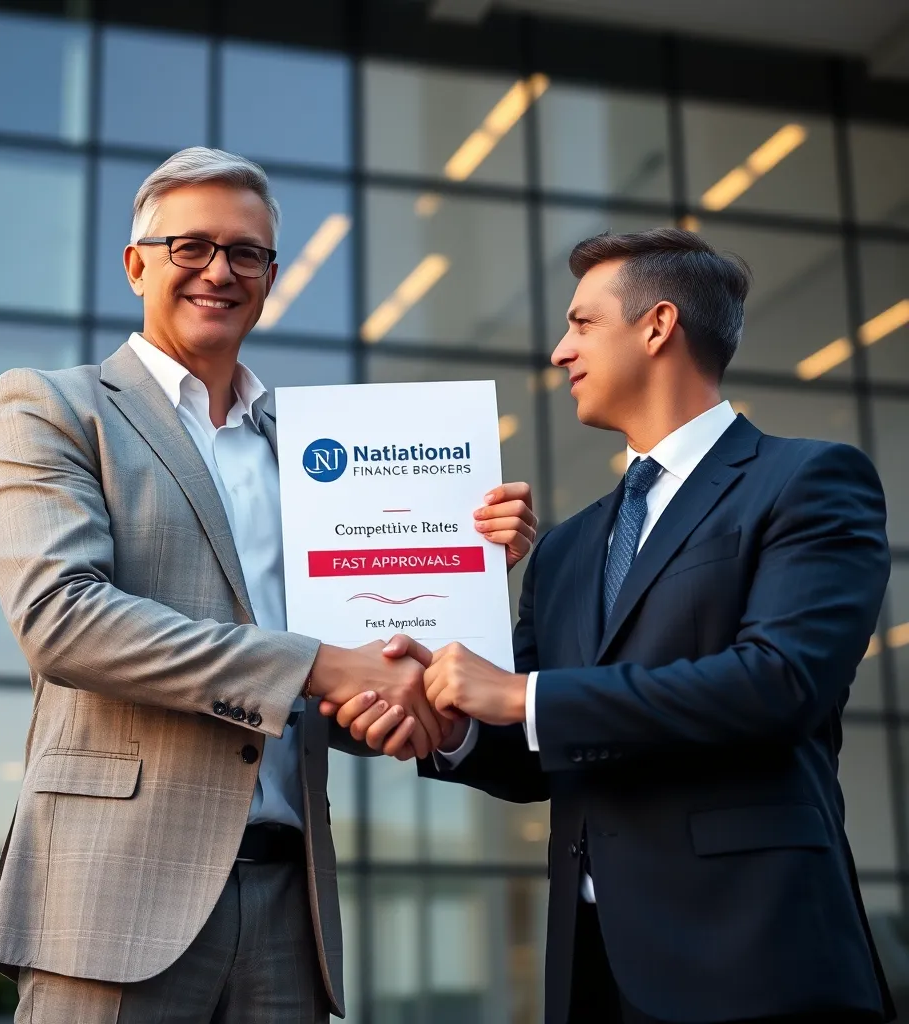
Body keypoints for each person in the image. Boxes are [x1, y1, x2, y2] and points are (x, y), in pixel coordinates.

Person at [0, 146, 537, 1024]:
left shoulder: (314, 451)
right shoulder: (52, 406)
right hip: (116, 893)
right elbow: (62, 619)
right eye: (190, 246)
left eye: (247, 254)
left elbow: (334, 674)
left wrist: (450, 576)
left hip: (289, 899)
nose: (219, 271)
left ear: (271, 276)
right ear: (136, 265)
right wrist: (319, 666)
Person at [327, 228, 895, 1023]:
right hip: (592, 967)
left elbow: (780, 681)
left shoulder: (806, 481)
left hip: (754, 955)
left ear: (658, 326)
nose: (560, 352)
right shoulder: (564, 549)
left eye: (582, 324)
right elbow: (531, 748)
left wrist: (522, 696)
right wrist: (443, 722)